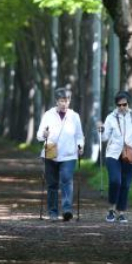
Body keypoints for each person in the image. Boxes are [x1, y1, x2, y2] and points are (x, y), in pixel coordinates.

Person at [98, 90, 132, 223]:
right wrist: (101, 129)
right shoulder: (111, 117)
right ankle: (111, 209)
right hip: (113, 154)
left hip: (130, 154)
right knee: (115, 181)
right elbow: (104, 138)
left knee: (126, 184)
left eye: (124, 104)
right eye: (119, 105)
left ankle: (121, 212)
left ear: (128, 104)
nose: (121, 107)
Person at [37, 87, 84, 221]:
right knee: (52, 184)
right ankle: (52, 212)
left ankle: (67, 209)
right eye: (62, 101)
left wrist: (80, 146)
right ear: (57, 101)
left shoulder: (74, 116)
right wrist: (43, 135)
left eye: (67, 100)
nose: (65, 103)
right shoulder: (48, 115)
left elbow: (79, 136)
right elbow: (39, 135)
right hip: (50, 150)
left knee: (66, 180)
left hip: (69, 153)